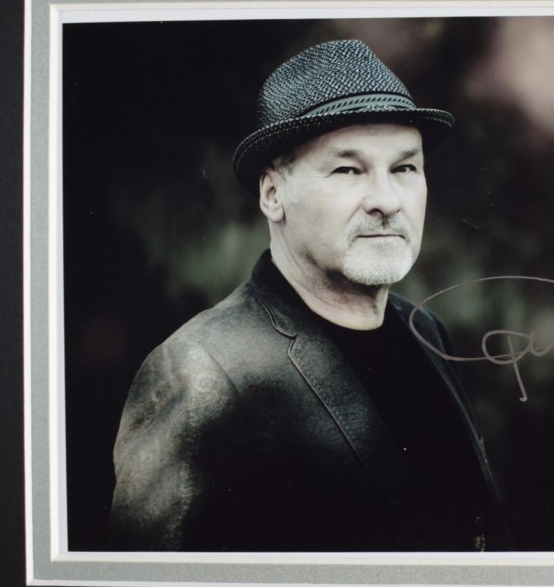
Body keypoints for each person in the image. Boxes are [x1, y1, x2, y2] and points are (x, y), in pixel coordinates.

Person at [109, 39, 508, 552]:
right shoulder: (198, 371)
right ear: (273, 194)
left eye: (404, 168)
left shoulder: (426, 333)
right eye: (348, 170)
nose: (387, 201)